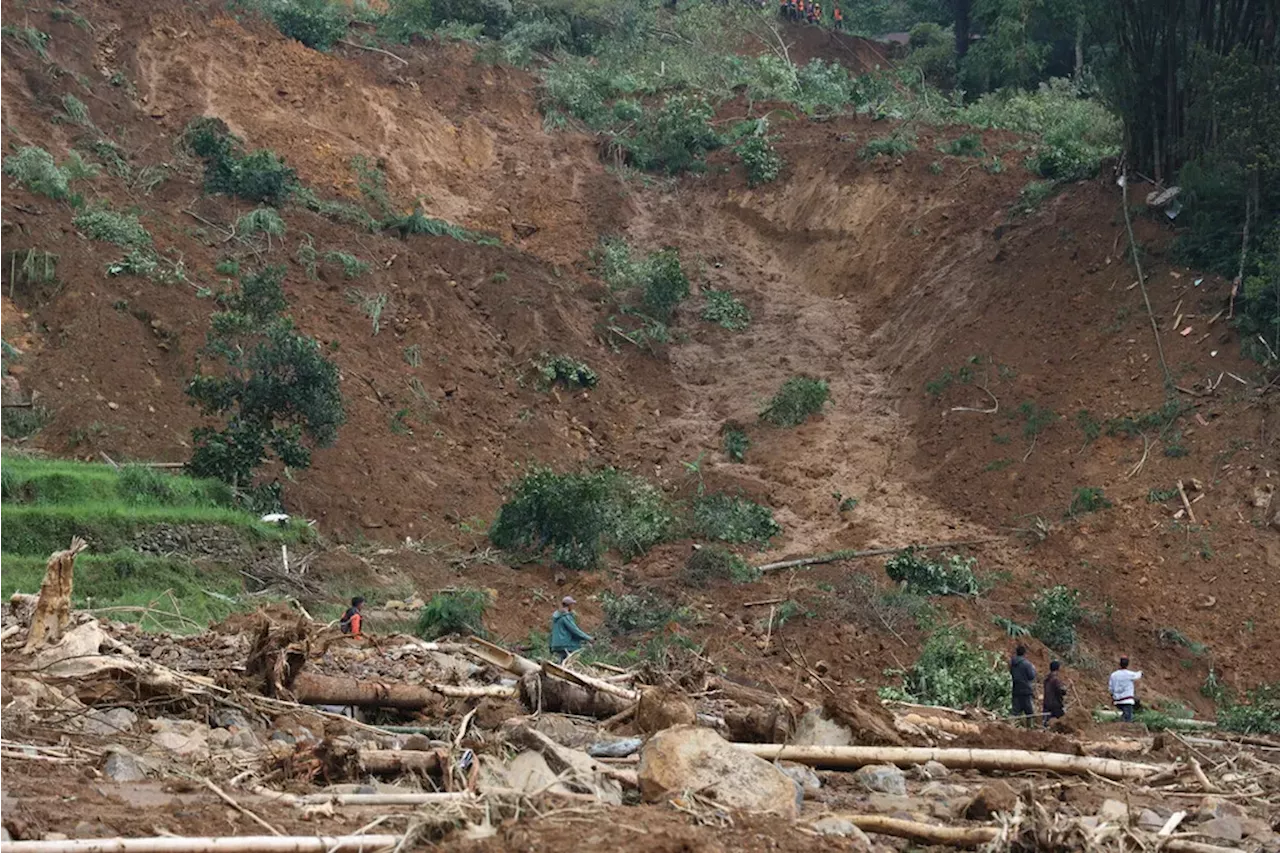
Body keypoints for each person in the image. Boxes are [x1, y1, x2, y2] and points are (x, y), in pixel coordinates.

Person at [550, 596, 593, 663]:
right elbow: (574, 630)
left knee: (562, 661)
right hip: (566, 644)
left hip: (557, 644)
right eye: (572, 604)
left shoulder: (558, 615)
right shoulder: (566, 616)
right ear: (569, 605)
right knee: (569, 661)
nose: (573, 606)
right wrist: (588, 638)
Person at [1109, 656, 1143, 722]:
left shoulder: (1113, 675)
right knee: (1128, 721)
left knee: (1124, 716)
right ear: (1128, 664)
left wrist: (1113, 697)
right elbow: (1138, 675)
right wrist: (1141, 672)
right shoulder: (1129, 674)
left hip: (1117, 700)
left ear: (1119, 663)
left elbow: (1110, 689)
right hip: (1127, 701)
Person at [1009, 645, 1036, 725]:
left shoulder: (1012, 664)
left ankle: (1011, 728)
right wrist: (1033, 670)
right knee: (1029, 712)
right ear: (1025, 653)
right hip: (1026, 690)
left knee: (1015, 711)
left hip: (1016, 689)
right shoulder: (1027, 664)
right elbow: (1031, 676)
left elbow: (1011, 673)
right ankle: (1030, 729)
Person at [1043, 660, 1067, 726]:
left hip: (1046, 704)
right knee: (1063, 722)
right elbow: (1061, 691)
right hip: (1055, 705)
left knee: (1046, 722)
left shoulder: (1046, 679)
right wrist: (1065, 689)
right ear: (1058, 668)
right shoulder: (1055, 680)